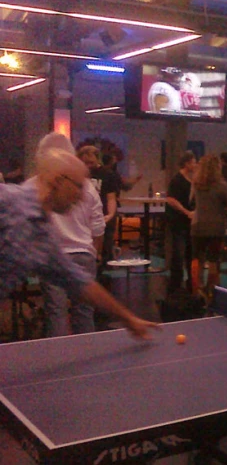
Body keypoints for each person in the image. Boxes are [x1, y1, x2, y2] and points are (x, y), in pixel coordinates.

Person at [0, 148, 157, 339]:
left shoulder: (41, 236)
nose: (82, 196)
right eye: (79, 186)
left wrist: (129, 319)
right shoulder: (6, 200)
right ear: (59, 181)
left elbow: (80, 283)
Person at [34, 133, 105, 337]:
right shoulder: (88, 187)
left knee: (56, 312)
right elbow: (98, 227)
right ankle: (87, 357)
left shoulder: (38, 184)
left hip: (53, 256)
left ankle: (58, 358)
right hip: (84, 255)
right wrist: (96, 254)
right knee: (84, 312)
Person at [191, 154, 227, 301]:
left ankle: (197, 288)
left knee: (198, 258)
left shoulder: (196, 183)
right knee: (214, 260)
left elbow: (191, 202)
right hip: (216, 227)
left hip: (198, 226)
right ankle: (211, 290)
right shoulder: (222, 185)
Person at [77, 145, 118, 269]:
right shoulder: (78, 174)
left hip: (104, 214)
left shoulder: (107, 174)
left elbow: (111, 197)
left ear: (97, 160)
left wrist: (110, 214)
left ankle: (105, 274)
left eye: (91, 162)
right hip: (84, 216)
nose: (88, 165)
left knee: (105, 248)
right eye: (85, 163)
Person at [165, 151, 197, 294]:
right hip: (178, 221)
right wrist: (186, 212)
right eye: (193, 162)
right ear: (187, 163)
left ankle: (191, 280)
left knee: (190, 252)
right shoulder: (177, 180)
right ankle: (175, 284)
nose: (195, 164)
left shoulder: (191, 180)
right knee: (179, 252)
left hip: (188, 222)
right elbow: (171, 200)